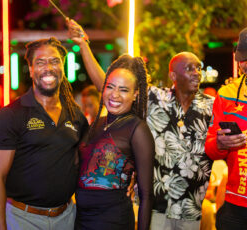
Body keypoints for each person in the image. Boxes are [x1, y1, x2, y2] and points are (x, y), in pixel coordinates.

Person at [67, 19, 215, 229]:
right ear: (173, 75)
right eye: (189, 68)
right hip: (156, 207)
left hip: (190, 206)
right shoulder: (155, 100)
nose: (196, 72)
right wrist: (83, 46)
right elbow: (108, 84)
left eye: (198, 68)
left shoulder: (212, 107)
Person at [0, 37, 88, 230]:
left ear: (63, 67)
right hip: (24, 219)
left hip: (66, 217)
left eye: (55, 61)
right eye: (40, 62)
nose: (48, 67)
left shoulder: (75, 115)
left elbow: (83, 163)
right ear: (31, 70)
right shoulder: (11, 115)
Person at [76, 54, 154, 230]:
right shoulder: (97, 124)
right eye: (110, 87)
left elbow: (147, 195)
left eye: (124, 90)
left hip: (112, 221)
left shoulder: (137, 129)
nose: (115, 95)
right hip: (81, 220)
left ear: (135, 94)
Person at [205, 27, 247, 230]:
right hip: (235, 206)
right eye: (241, 59)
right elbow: (210, 148)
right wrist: (220, 144)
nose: (244, 65)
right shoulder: (226, 94)